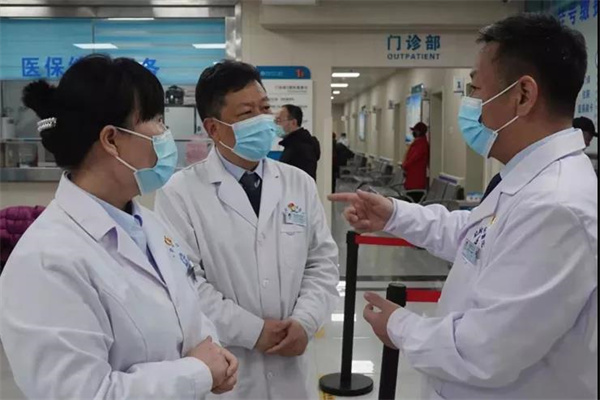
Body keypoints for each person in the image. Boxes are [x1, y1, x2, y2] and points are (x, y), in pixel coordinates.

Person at [330, 14, 597, 399]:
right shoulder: (527, 180)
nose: (470, 103)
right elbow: (475, 238)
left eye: (475, 88)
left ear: (523, 95)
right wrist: (394, 213)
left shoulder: (556, 205)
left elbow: (486, 350)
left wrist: (400, 326)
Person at [0, 55, 239, 399]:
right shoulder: (45, 260)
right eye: (155, 120)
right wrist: (199, 372)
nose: (165, 134)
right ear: (111, 139)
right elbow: (82, 393)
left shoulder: (148, 224)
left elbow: (185, 310)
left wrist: (212, 349)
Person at [154, 60, 339, 400]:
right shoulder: (179, 193)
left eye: (265, 108)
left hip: (292, 370)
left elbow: (322, 262)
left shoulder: (299, 184)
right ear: (213, 128)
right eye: (247, 113)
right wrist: (253, 332)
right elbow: (185, 283)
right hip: (226, 371)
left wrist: (305, 321)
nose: (263, 119)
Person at [276, 104, 321, 180]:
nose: (276, 124)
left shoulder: (301, 148)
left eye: (279, 120)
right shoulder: (293, 144)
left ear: (293, 122)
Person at [402, 121, 430, 192]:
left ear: (419, 132)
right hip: (412, 177)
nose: (413, 132)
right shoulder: (418, 143)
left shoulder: (421, 144)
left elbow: (413, 158)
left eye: (415, 131)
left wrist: (405, 165)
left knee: (413, 195)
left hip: (416, 178)